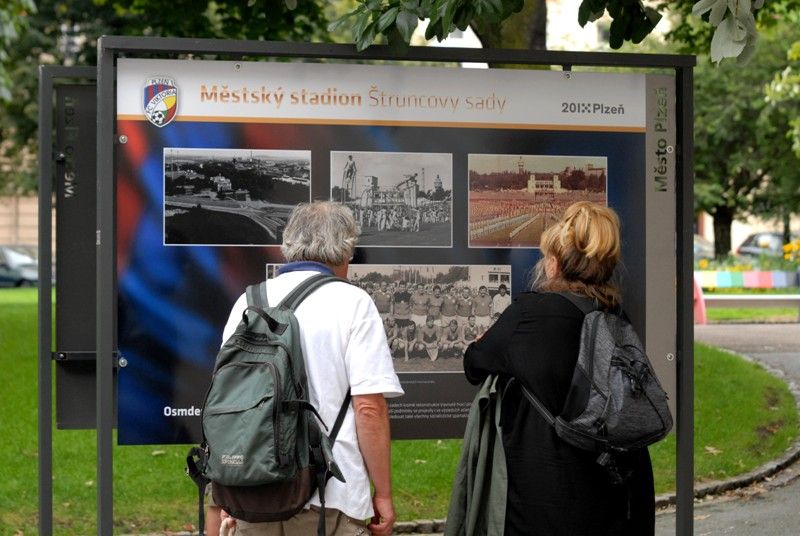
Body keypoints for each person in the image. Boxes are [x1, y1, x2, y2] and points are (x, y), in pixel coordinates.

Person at [462, 201, 655, 536]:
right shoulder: (615, 320)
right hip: (612, 498)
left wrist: (482, 343)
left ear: (554, 263)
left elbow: (474, 364)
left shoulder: (528, 315)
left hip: (541, 502)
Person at [220, 201, 404, 536]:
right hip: (330, 494)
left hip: (254, 491)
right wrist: (384, 495)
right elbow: (368, 408)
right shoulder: (353, 303)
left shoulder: (248, 302)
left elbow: (229, 402)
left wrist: (226, 494)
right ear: (344, 250)